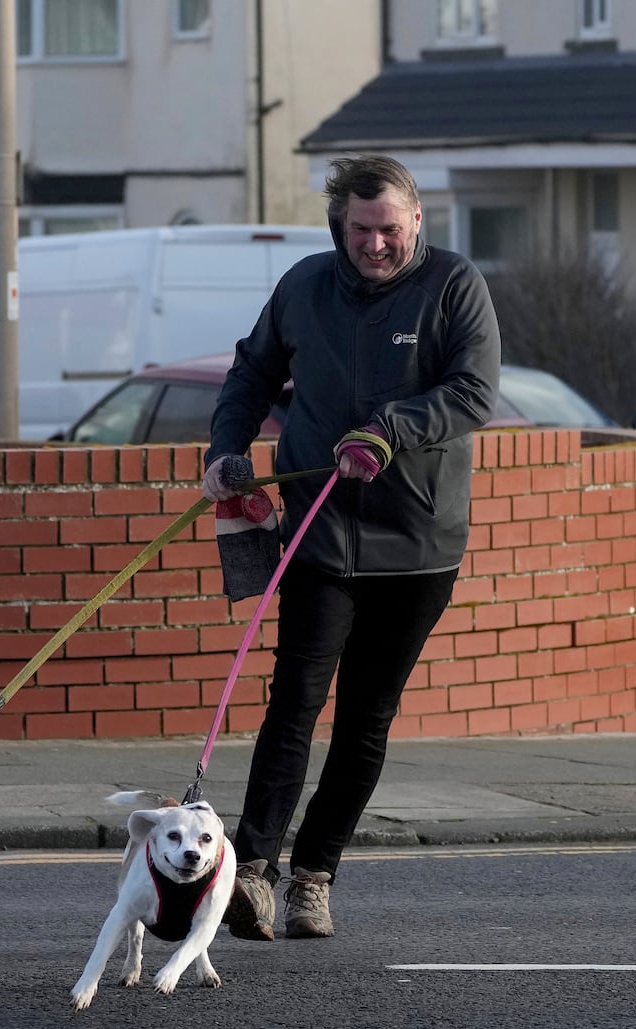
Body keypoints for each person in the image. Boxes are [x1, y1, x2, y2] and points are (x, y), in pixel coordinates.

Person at [200, 155, 501, 940]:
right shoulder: (304, 285)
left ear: (417, 222)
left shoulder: (454, 284)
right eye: (361, 230)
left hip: (419, 543)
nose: (374, 244)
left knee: (367, 715)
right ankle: (255, 873)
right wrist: (226, 449)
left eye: (389, 229)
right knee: (293, 703)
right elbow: (252, 369)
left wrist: (389, 429)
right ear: (342, 225)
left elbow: (473, 392)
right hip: (319, 532)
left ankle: (315, 875)